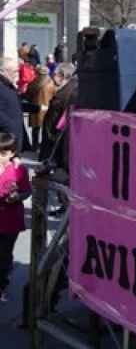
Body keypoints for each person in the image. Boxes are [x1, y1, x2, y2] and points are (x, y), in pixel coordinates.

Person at [0, 132, 29, 303]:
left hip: (10, 221)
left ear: (12, 153)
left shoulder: (19, 170)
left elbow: (26, 191)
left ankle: (2, 285)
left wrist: (18, 196)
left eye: (3, 154)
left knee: (4, 254)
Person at [40, 63, 75, 169]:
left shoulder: (65, 93)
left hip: (55, 140)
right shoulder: (70, 89)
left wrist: (51, 137)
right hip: (57, 138)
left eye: (54, 74)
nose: (52, 76)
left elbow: (54, 120)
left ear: (61, 76)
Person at [26, 66, 55, 149]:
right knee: (46, 129)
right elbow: (55, 94)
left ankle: (35, 146)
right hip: (47, 108)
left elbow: (28, 95)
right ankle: (44, 146)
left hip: (36, 108)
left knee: (36, 129)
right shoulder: (51, 83)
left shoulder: (33, 83)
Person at [0, 59, 23, 151]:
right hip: (5, 141)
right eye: (14, 71)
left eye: (18, 71)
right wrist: (12, 126)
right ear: (2, 71)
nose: (16, 74)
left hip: (12, 138)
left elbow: (15, 104)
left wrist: (38, 108)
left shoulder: (9, 85)